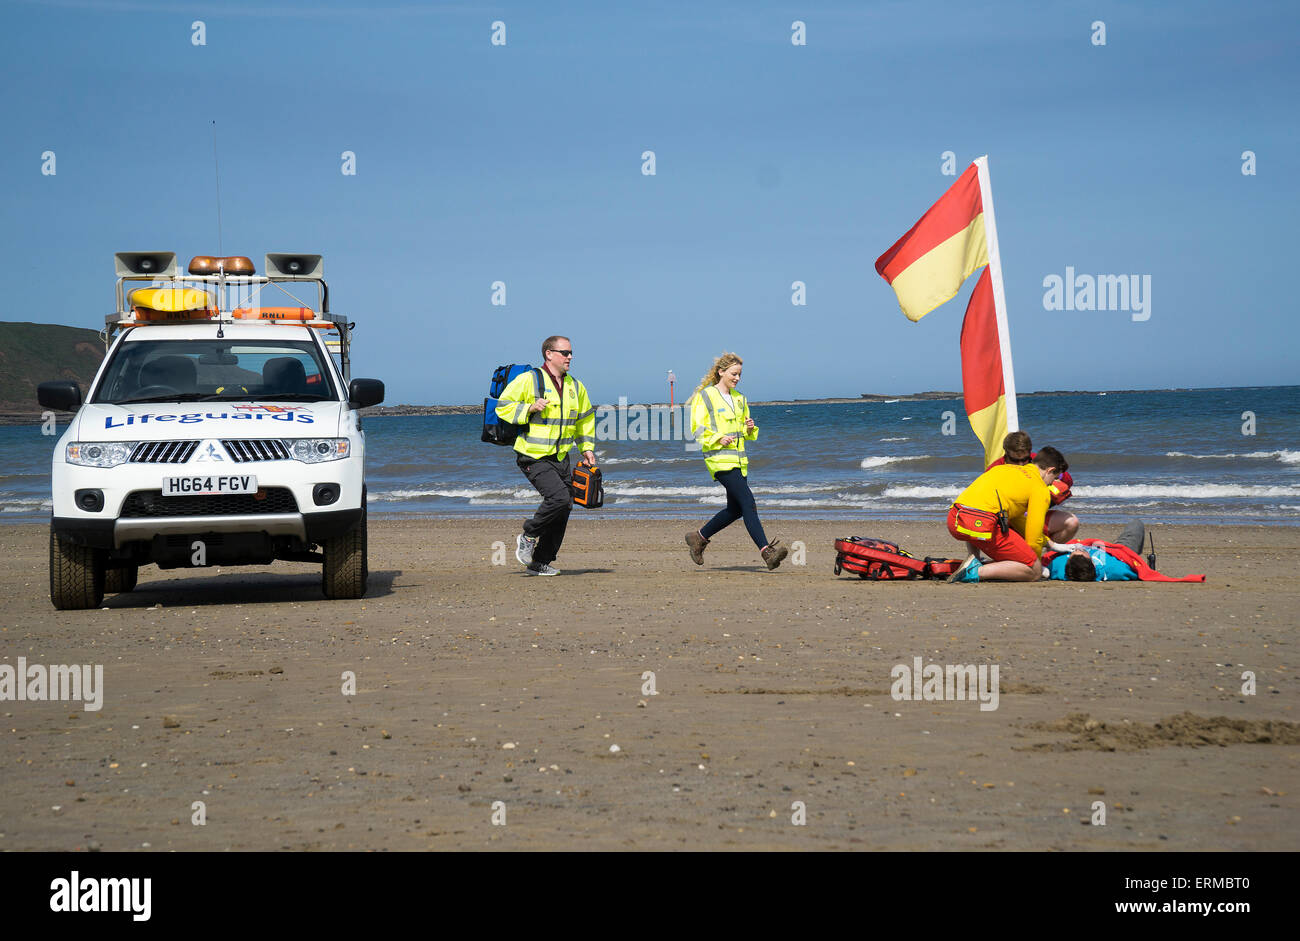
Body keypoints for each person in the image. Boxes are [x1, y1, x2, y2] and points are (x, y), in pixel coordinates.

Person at [496, 336, 596, 575]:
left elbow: (584, 420)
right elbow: (503, 407)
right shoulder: (529, 380)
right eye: (564, 352)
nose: (569, 357)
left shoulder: (575, 386)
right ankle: (529, 534)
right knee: (560, 498)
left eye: (571, 352)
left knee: (565, 506)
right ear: (548, 354)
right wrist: (528, 408)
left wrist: (587, 448)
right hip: (532, 454)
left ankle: (540, 562)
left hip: (561, 457)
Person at [684, 352, 788, 570]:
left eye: (740, 374)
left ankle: (699, 537)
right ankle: (766, 552)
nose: (737, 378)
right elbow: (697, 429)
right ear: (721, 372)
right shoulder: (706, 396)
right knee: (748, 502)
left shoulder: (740, 398)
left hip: (739, 461)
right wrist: (717, 438)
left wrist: (749, 428)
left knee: (736, 509)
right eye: (733, 373)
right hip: (719, 460)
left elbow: (743, 432)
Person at [945, 446, 1067, 582]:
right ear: (1049, 470)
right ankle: (975, 571)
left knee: (983, 509)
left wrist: (1049, 543)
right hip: (981, 526)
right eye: (1055, 478)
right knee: (1033, 571)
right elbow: (1034, 538)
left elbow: (1018, 520)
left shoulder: (1002, 468)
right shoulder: (1040, 488)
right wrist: (1036, 564)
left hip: (955, 519)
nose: (1052, 483)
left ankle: (975, 559)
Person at [1037, 520, 1205, 583]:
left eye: (1074, 552)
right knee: (1136, 525)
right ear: (1092, 562)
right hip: (1117, 552)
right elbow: (1137, 572)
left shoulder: (1057, 566)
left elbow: (1042, 564)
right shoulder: (1114, 568)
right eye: (1082, 552)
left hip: (1102, 549)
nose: (1079, 549)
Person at [991, 431, 1078, 541]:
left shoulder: (1038, 460)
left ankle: (1048, 556)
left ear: (1029, 452)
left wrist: (1056, 478)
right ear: (1006, 453)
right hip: (1009, 522)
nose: (1021, 464)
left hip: (1035, 515)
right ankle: (974, 556)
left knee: (1071, 522)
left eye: (1024, 460)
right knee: (974, 518)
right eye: (1015, 460)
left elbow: (1067, 480)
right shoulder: (995, 469)